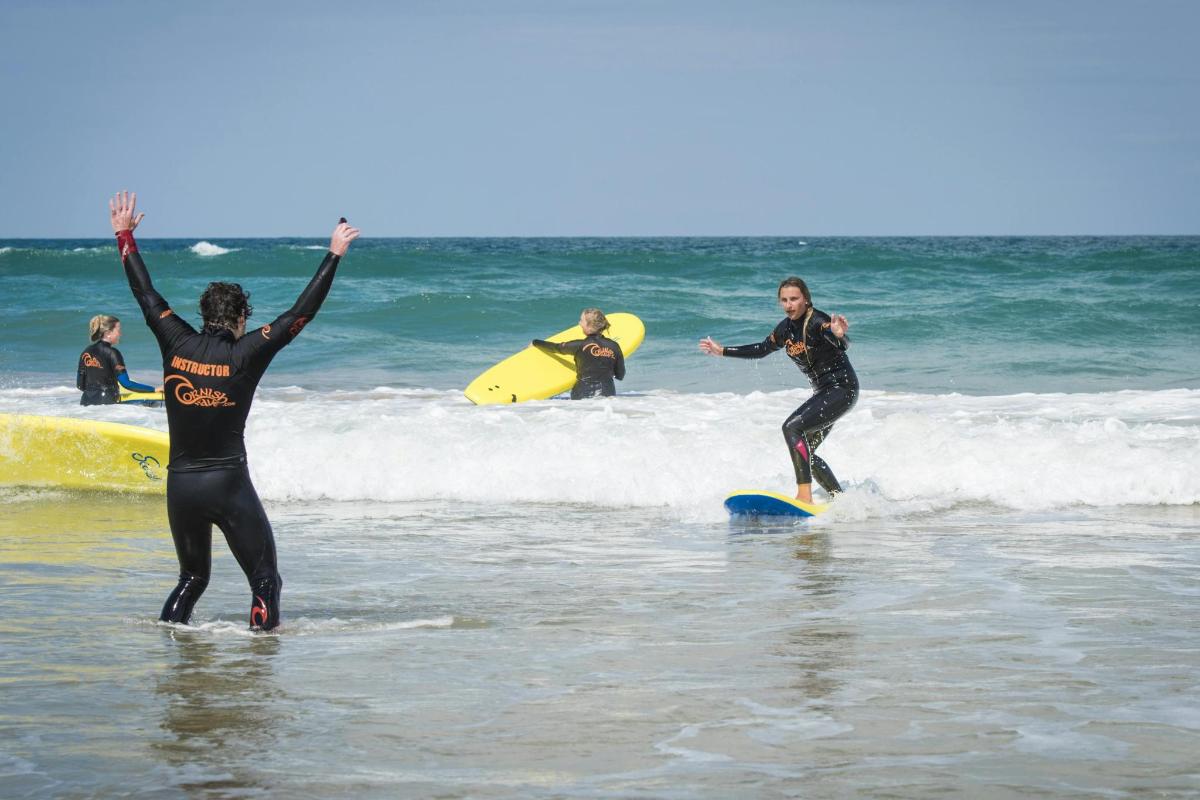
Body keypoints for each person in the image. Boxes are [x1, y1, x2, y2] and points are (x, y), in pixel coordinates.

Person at [109, 190, 359, 631]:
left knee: (191, 579)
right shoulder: (248, 352)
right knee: (264, 580)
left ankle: (170, 652)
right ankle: (259, 664)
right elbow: (301, 313)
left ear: (203, 314)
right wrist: (334, 254)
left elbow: (144, 293)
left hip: (181, 486)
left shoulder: (174, 338)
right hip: (227, 483)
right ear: (242, 318)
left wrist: (124, 235)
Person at [700, 277, 857, 504]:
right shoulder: (786, 328)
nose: (789, 305)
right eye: (784, 300)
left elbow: (839, 341)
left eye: (794, 299)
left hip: (842, 390)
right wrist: (722, 350)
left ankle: (804, 496)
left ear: (806, 299)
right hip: (825, 394)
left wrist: (840, 335)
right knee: (805, 453)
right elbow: (762, 348)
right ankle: (841, 502)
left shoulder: (818, 321)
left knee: (792, 428)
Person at [532, 308, 626, 399]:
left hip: (583, 395)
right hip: (608, 394)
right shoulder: (614, 346)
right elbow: (620, 375)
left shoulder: (579, 345)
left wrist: (535, 342)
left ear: (589, 326)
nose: (579, 323)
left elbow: (556, 348)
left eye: (581, 320)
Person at [76, 314, 160, 405]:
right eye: (118, 331)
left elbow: (80, 385)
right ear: (108, 333)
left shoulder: (86, 351)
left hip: (85, 404)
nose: (120, 334)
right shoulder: (113, 353)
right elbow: (126, 384)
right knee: (153, 404)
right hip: (107, 404)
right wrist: (153, 389)